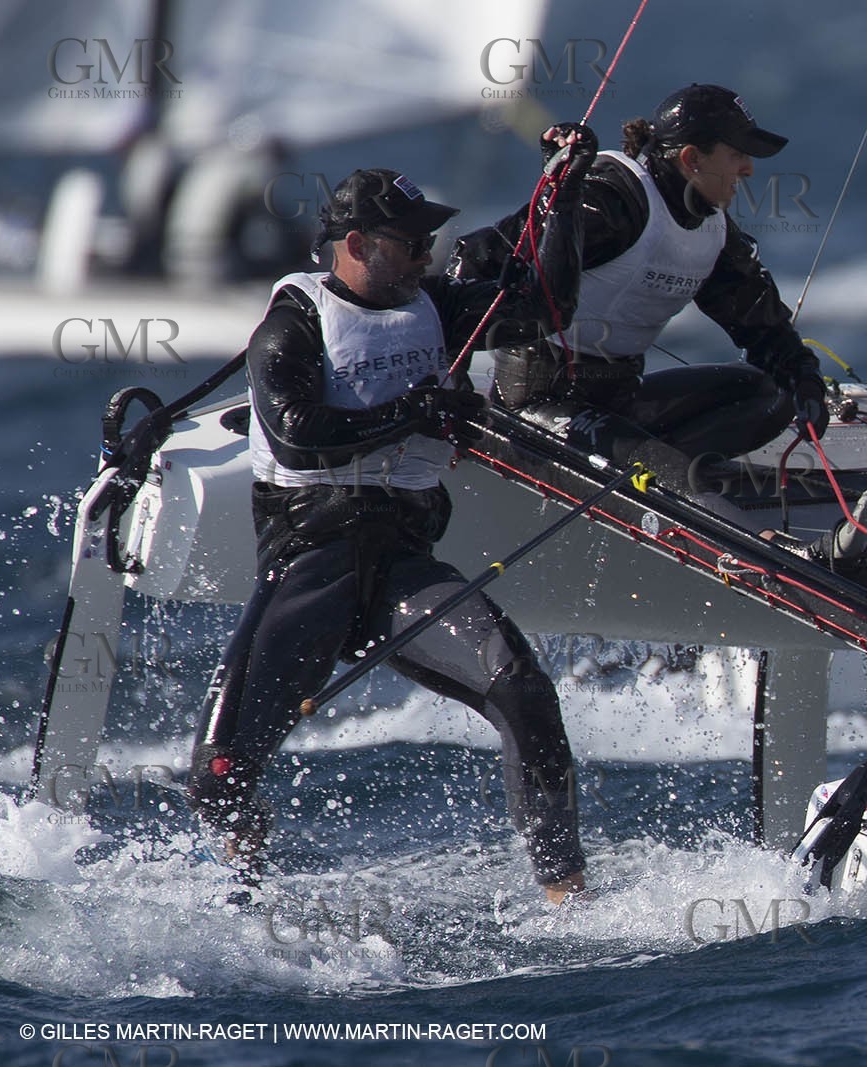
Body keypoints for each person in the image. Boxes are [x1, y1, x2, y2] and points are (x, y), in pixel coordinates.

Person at [187, 150, 595, 905]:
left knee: (525, 688)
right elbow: (299, 434)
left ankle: (566, 900)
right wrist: (414, 412)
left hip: (404, 566)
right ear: (355, 245)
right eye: (408, 242)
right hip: (311, 565)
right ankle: (243, 907)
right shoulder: (292, 324)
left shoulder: (434, 304)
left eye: (427, 241)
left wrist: (561, 204)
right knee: (217, 774)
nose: (426, 254)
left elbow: (549, 306)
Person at [447, 84, 832, 490]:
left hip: (619, 401)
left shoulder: (712, 228)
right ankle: (678, 485)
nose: (749, 169)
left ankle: (646, 473)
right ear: (691, 158)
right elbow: (474, 258)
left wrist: (803, 377)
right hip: (538, 404)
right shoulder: (609, 201)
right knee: (664, 471)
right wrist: (452, 384)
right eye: (737, 155)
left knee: (771, 393)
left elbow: (761, 323)